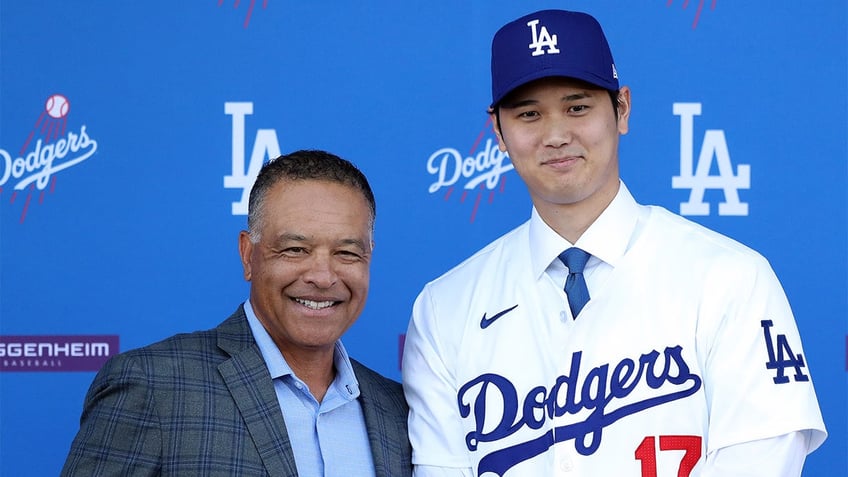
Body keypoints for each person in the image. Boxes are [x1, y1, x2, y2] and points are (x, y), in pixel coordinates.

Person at [401, 9, 826, 477]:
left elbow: (761, 459)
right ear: (498, 132)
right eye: (529, 114)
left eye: (578, 107)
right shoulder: (444, 307)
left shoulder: (729, 277)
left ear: (622, 108)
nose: (557, 135)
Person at [62, 150, 412, 476]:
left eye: (347, 253)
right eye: (295, 249)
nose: (322, 276)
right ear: (248, 255)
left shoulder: (398, 410)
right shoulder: (153, 385)